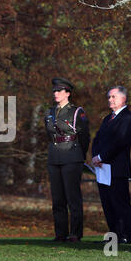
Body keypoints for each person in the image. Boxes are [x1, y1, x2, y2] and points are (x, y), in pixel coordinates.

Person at [44, 77, 90, 242]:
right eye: (54, 91)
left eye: (59, 91)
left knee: (73, 197)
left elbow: (85, 136)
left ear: (68, 93)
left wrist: (79, 155)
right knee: (57, 198)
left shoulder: (77, 112)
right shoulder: (49, 112)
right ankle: (60, 233)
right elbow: (49, 135)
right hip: (54, 156)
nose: (55, 93)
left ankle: (75, 233)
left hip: (72, 155)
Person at [92, 86, 131, 244]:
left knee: (120, 203)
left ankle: (124, 235)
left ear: (123, 98)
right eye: (109, 97)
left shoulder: (128, 118)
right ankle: (114, 234)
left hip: (117, 168)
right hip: (103, 168)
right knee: (107, 202)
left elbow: (121, 141)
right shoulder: (107, 119)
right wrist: (95, 156)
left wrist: (102, 156)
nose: (110, 100)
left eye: (113, 97)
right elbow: (97, 139)